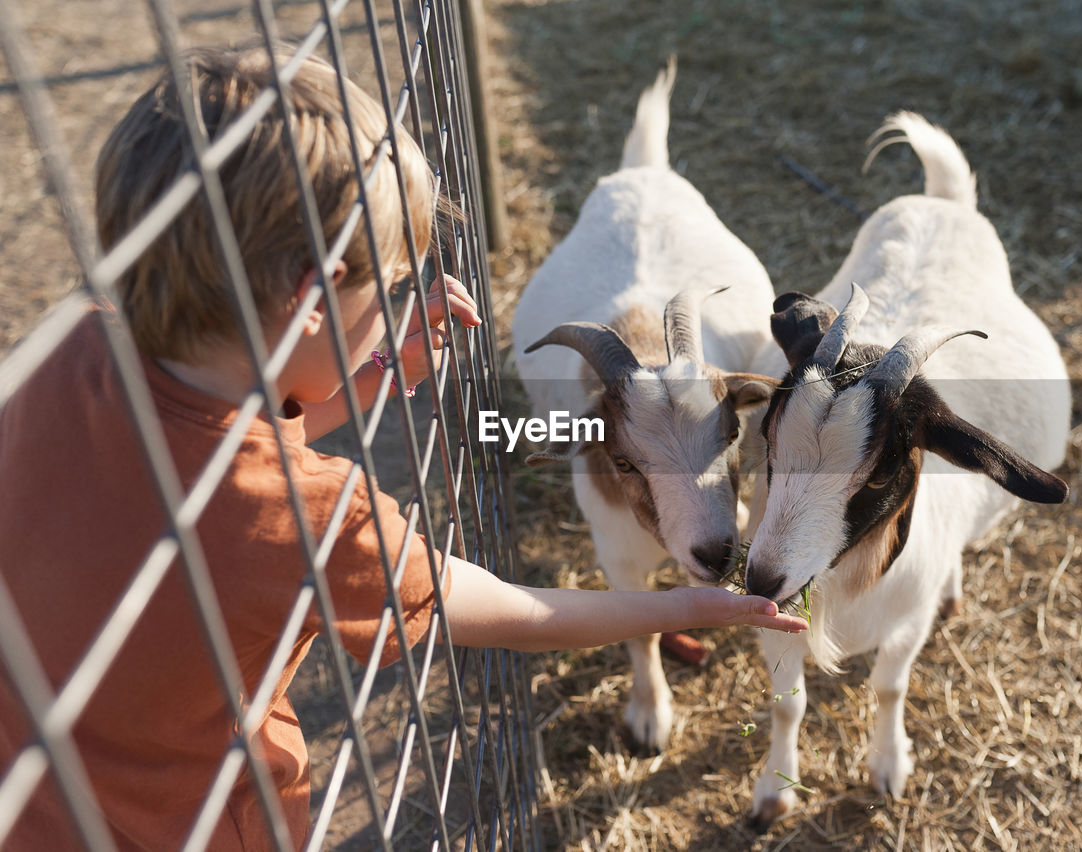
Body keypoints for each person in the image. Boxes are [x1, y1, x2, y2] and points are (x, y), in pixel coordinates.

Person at [0, 48, 803, 851]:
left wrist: (371, 373)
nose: (398, 308)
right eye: (386, 290)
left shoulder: (71, 344)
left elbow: (201, 448)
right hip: (195, 827)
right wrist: (684, 606)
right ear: (315, 297)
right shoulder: (314, 519)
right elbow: (515, 610)